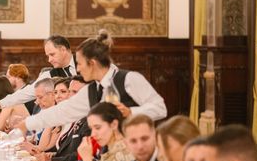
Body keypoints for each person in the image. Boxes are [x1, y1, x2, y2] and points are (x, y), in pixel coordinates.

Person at [15, 30, 167, 134]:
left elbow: (160, 109)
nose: (78, 69)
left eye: (80, 64)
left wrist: (131, 112)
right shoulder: (92, 90)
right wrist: (26, 124)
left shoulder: (129, 79)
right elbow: (64, 111)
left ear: (92, 63)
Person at [0, 35, 76, 112]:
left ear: (63, 49)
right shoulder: (51, 74)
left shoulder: (84, 63)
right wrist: (0, 103)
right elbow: (27, 92)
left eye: (52, 54)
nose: (49, 60)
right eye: (48, 56)